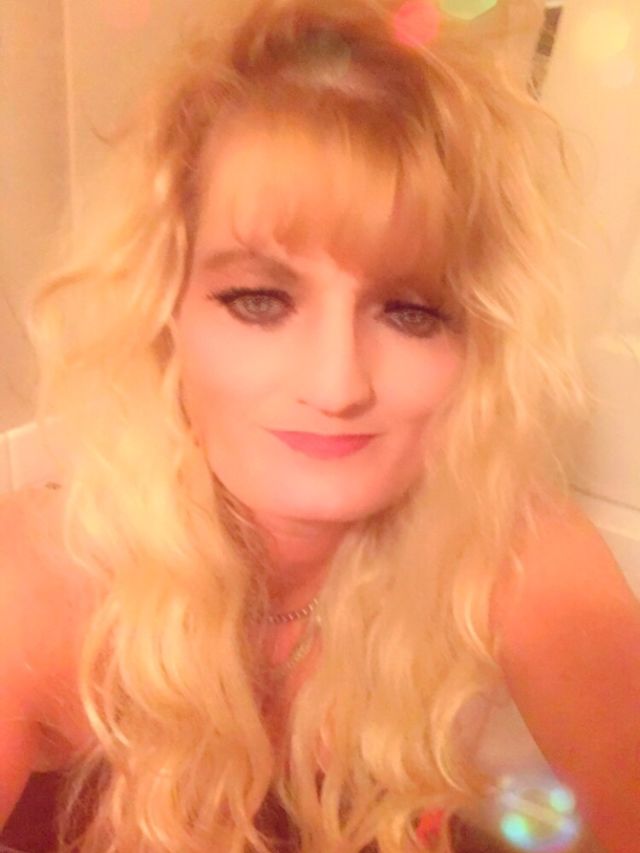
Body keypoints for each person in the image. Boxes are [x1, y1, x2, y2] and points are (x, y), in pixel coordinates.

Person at [1, 0, 639, 850]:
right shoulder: (37, 585)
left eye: (412, 311)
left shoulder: (520, 558)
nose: (337, 385)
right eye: (258, 301)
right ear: (165, 315)